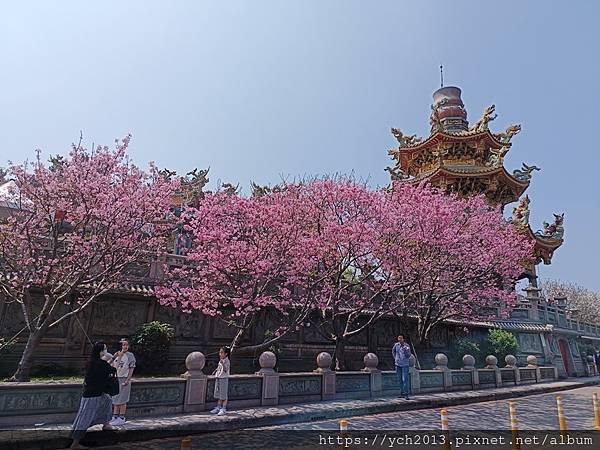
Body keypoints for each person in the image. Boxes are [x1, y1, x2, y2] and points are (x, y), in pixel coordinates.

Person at [70, 341, 116, 449]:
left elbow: (103, 369)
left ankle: (106, 423)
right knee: (85, 418)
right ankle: (75, 444)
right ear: (100, 351)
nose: (105, 351)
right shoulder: (99, 364)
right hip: (93, 395)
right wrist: (112, 359)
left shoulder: (91, 362)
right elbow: (112, 370)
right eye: (104, 349)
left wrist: (110, 359)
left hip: (93, 392)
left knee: (108, 400)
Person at [109, 338, 136, 426]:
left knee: (123, 399)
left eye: (126, 345)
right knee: (116, 398)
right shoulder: (117, 354)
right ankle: (115, 416)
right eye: (123, 345)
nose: (124, 347)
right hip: (117, 378)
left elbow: (131, 368)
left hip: (124, 378)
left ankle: (121, 417)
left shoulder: (130, 355)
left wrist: (128, 379)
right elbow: (111, 364)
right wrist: (115, 356)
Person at [210, 346, 230, 416]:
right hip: (218, 377)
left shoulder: (227, 361)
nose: (220, 354)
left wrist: (223, 363)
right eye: (220, 352)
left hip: (224, 378)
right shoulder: (221, 360)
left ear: (226, 354)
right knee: (219, 394)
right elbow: (219, 368)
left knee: (224, 394)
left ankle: (224, 409)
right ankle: (218, 407)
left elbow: (225, 370)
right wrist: (215, 371)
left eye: (221, 352)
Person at [392, 334, 411, 400]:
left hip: (405, 364)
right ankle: (402, 393)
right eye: (399, 338)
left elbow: (409, 355)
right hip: (398, 364)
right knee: (399, 379)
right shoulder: (396, 345)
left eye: (401, 338)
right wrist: (395, 358)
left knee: (404, 379)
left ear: (403, 339)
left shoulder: (407, 346)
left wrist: (405, 350)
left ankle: (406, 394)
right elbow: (393, 351)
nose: (399, 340)